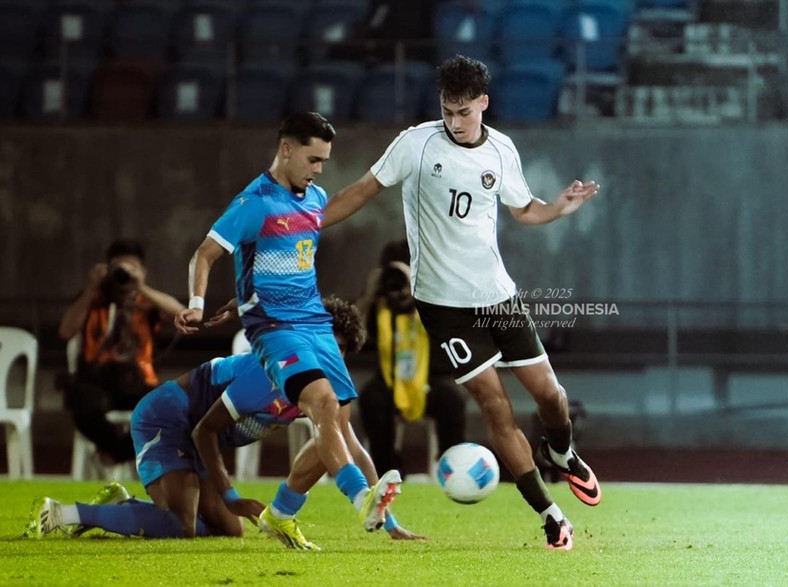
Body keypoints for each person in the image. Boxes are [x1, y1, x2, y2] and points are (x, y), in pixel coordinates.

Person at [322, 55, 602, 551]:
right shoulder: (415, 143)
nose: (455, 121)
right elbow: (361, 191)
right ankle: (551, 515)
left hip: (498, 297)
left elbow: (524, 211)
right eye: (448, 110)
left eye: (464, 111)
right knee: (496, 407)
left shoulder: (501, 151)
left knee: (553, 397)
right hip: (443, 306)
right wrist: (306, 222)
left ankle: (561, 452)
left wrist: (560, 208)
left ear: (483, 104)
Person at [26, 297, 421, 548]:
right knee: (182, 526)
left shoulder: (321, 389)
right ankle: (63, 512)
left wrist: (388, 522)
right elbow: (205, 430)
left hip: (199, 434)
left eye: (338, 352)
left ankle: (123, 505)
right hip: (168, 416)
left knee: (228, 531)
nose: (326, 357)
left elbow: (352, 448)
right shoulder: (270, 372)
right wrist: (231, 495)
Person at [174, 112, 402, 535]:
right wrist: (196, 303)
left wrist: (393, 165)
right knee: (321, 402)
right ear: (286, 149)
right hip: (275, 328)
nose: (318, 170)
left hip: (315, 322)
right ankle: (360, 498)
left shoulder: (313, 200)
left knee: (337, 421)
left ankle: (280, 514)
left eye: (324, 163)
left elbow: (351, 199)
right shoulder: (255, 202)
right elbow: (204, 254)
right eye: (313, 160)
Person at [58, 238, 184, 465]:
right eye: (119, 268)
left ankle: (114, 454)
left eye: (132, 268)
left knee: (168, 409)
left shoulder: (147, 302)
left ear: (143, 272)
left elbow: (182, 314)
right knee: (82, 403)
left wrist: (140, 286)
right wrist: (91, 288)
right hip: (96, 379)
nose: (124, 274)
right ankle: (118, 450)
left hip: (137, 379)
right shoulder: (93, 299)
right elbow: (66, 332)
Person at [357, 242, 467, 476]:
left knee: (453, 400)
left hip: (430, 380)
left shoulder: (433, 299)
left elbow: (452, 324)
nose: (400, 288)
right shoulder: (379, 304)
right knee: (370, 397)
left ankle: (454, 470)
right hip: (389, 381)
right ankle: (387, 472)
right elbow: (352, 332)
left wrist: (417, 289)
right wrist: (370, 295)